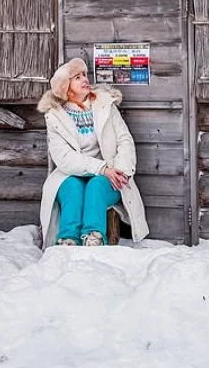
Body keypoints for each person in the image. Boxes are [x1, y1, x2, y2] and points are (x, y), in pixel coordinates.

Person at [37, 57, 149, 247]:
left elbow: (124, 140)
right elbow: (64, 158)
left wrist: (122, 170)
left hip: (111, 173)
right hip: (72, 173)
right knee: (72, 187)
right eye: (77, 77)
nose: (84, 79)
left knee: (96, 186)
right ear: (66, 86)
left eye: (84, 75)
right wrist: (101, 168)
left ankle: (93, 238)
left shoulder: (105, 105)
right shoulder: (54, 116)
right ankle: (68, 240)